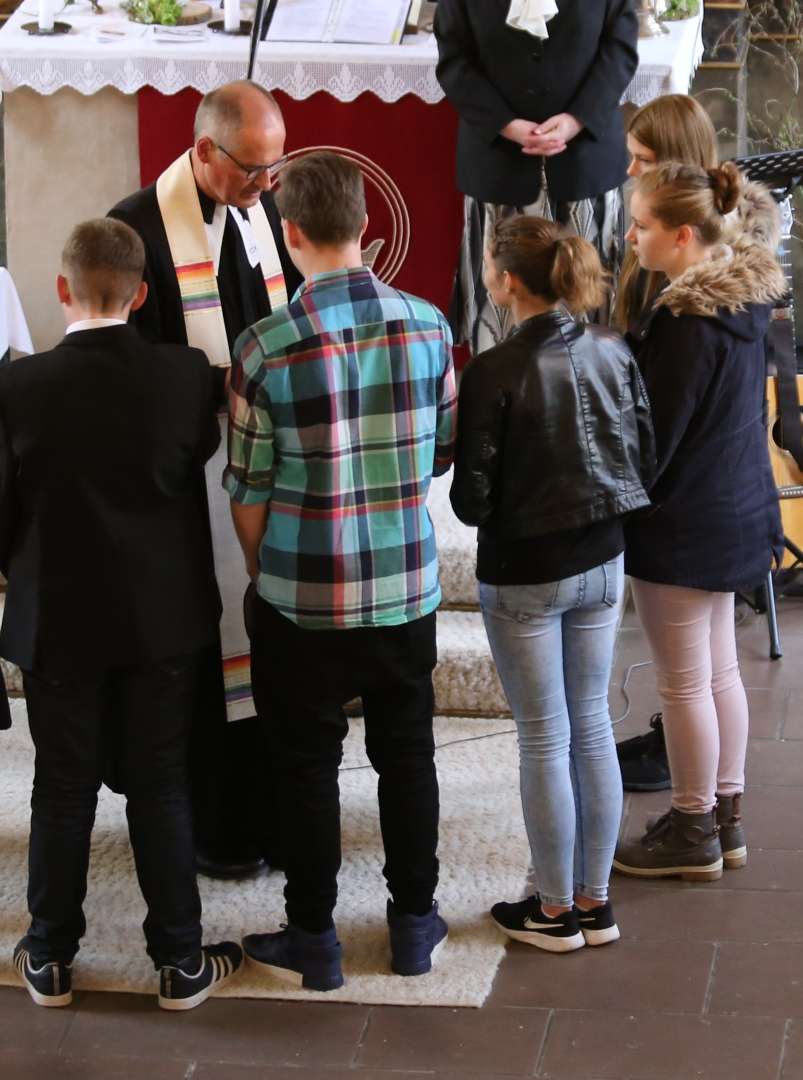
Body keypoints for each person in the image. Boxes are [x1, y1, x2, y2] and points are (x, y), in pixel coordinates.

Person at [225, 152, 456, 990]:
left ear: (289, 236)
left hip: (300, 591)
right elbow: (440, 453)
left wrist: (263, 570)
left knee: (304, 762)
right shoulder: (430, 324)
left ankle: (315, 935)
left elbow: (247, 488)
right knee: (408, 754)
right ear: (367, 225)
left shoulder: (263, 344)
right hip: (402, 587)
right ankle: (411, 925)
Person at [0, 219, 242, 1010]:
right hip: (160, 621)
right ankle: (178, 962)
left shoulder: (15, 386)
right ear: (141, 295)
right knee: (161, 785)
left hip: (55, 619)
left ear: (61, 288)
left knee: (61, 790)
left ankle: (48, 958)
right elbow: (193, 458)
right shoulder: (185, 377)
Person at [110, 80, 303, 880]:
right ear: (202, 152)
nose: (266, 187)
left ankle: (264, 813)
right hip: (184, 482)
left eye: (274, 170)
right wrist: (218, 386)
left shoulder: (262, 213)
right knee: (202, 649)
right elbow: (129, 370)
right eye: (254, 171)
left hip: (260, 465)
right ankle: (209, 822)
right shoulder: (137, 227)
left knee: (261, 642)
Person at [450, 215, 655, 951]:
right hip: (604, 559)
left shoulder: (492, 369)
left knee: (544, 736)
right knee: (591, 723)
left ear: (505, 281)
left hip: (526, 570)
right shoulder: (612, 345)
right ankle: (593, 904)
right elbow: (644, 455)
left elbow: (470, 502)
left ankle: (550, 911)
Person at [613, 163, 785, 881]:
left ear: (682, 235)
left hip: (687, 521)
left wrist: (613, 500)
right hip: (736, 509)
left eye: (642, 226)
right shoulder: (741, 301)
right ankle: (723, 817)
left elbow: (655, 438)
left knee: (685, 682)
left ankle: (690, 827)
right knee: (718, 672)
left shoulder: (685, 322)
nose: (630, 237)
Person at [433, 0, 639, 351]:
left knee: (588, 302)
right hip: (498, 160)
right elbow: (454, 58)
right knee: (501, 306)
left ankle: (587, 393)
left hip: (584, 157)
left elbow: (619, 45)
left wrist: (577, 118)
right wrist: (505, 124)